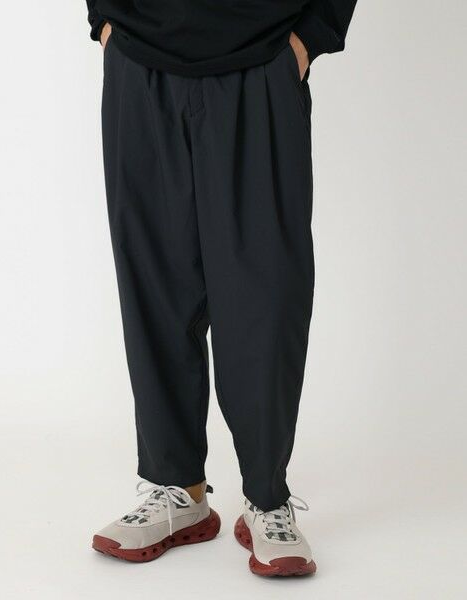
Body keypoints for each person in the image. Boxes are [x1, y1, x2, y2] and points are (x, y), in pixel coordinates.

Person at [86, 0, 357, 577]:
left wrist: (313, 34)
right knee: (154, 287)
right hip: (138, 55)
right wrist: (104, 19)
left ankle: (267, 499)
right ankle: (176, 489)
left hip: (263, 56)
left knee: (266, 296)